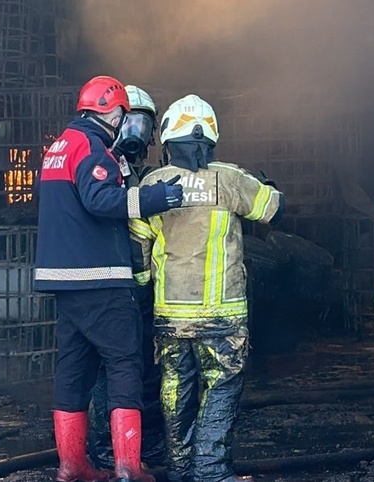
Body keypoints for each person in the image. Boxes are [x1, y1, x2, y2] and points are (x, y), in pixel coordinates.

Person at [34, 75, 183, 482]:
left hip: (64, 282)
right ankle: (128, 469)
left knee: (72, 372)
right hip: (100, 278)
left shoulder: (58, 147)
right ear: (113, 112)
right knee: (124, 365)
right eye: (124, 117)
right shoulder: (92, 147)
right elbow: (99, 200)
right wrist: (155, 198)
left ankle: (71, 466)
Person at [133, 94, 285, 482]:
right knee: (221, 386)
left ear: (167, 139)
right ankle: (212, 471)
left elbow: (138, 247)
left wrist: (141, 290)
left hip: (170, 315)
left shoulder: (152, 184)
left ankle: (182, 470)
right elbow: (273, 209)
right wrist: (266, 183)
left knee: (174, 388)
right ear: (211, 138)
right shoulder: (230, 179)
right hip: (223, 315)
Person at [88, 85, 167, 469]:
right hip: (111, 283)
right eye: (128, 120)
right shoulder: (98, 164)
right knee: (112, 365)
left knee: (145, 364)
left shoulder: (147, 176)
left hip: (144, 286)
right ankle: (104, 447)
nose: (134, 131)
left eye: (142, 123)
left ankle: (142, 441)